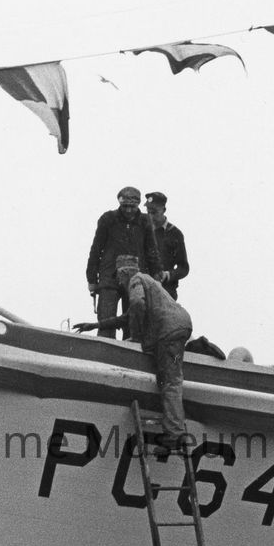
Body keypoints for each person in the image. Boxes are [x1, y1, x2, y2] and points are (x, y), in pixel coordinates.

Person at [117, 255, 196, 453]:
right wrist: (96, 325)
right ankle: (176, 430)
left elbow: (137, 304)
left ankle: (174, 436)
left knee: (170, 382)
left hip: (169, 330)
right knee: (171, 380)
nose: (119, 282)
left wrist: (136, 336)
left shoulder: (136, 280)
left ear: (125, 272)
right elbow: (129, 315)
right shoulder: (150, 283)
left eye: (118, 276)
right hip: (179, 325)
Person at [86, 185, 161, 336]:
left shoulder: (145, 221)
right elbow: (96, 249)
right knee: (106, 323)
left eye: (132, 206)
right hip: (109, 278)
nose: (128, 210)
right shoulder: (108, 219)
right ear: (120, 203)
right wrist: (92, 279)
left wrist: (156, 276)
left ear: (138, 204)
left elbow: (152, 251)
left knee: (133, 325)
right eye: (125, 206)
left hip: (135, 279)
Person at [144, 190, 190, 296]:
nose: (150, 216)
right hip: (143, 288)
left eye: (154, 212)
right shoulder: (142, 230)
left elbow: (184, 268)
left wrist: (167, 275)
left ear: (164, 210)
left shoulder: (175, 234)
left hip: (166, 291)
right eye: (148, 212)